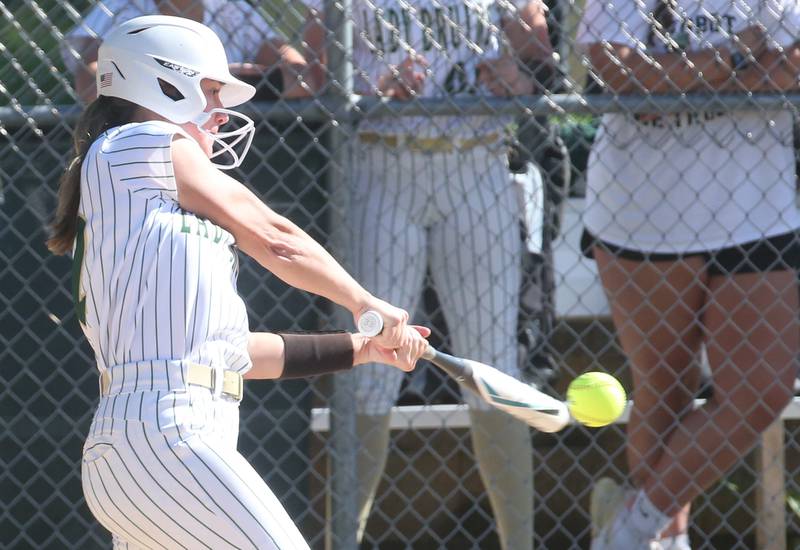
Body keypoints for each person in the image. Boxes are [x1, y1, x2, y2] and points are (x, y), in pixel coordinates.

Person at [46, 15, 430, 548]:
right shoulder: (134, 143)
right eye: (208, 91)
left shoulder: (156, 210)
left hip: (147, 446)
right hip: (168, 436)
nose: (221, 115)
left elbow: (236, 354)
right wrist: (364, 303)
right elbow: (274, 237)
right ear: (160, 81)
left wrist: (362, 348)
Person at [304, 1, 552, 548]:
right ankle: (342, 540)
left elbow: (542, 59)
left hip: (478, 162)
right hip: (381, 162)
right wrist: (367, 87)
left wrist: (521, 75)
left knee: (491, 360)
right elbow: (312, 72)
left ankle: (521, 543)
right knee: (369, 367)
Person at [577, 1, 800, 548]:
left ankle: (631, 528)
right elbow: (619, 72)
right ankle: (665, 539)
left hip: (758, 203)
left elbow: (793, 63)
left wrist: (684, 80)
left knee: (762, 389)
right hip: (643, 208)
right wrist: (737, 55)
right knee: (668, 384)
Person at [61, 0, 313, 104]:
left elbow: (304, 80)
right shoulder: (126, 7)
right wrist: (209, 82)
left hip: (238, 139)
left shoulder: (230, 9)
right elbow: (94, 87)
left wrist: (210, 83)